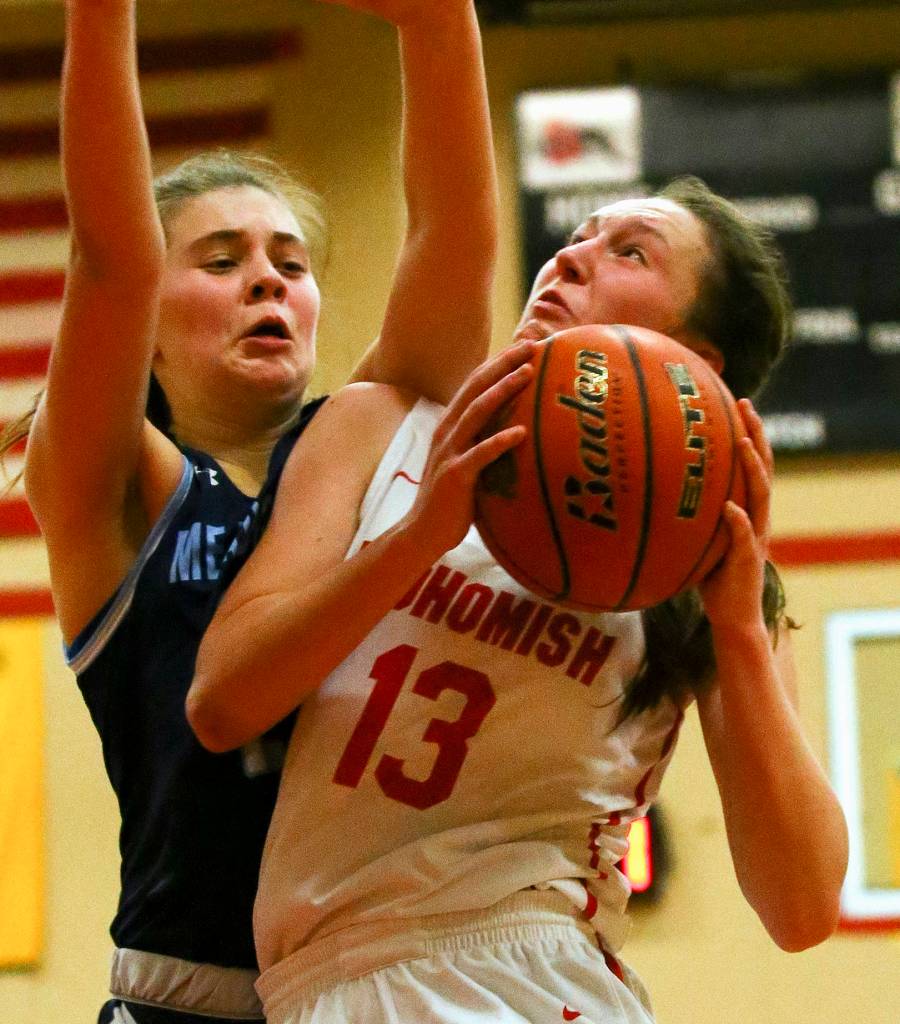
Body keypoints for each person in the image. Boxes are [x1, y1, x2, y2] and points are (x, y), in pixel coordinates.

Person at [187, 178, 850, 1023]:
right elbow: (220, 704)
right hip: (322, 984)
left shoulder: (710, 569)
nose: (571, 256)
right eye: (579, 234)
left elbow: (802, 907)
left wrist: (738, 632)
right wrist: (422, 533)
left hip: (527, 971)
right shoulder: (382, 426)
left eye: (630, 251)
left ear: (697, 370)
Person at [3, 0, 498, 1020]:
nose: (267, 279)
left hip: (375, 994)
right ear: (146, 330)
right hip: (187, 997)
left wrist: (439, 25)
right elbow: (111, 260)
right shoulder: (120, 492)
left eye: (291, 262)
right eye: (222, 261)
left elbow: (451, 239)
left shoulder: (367, 448)